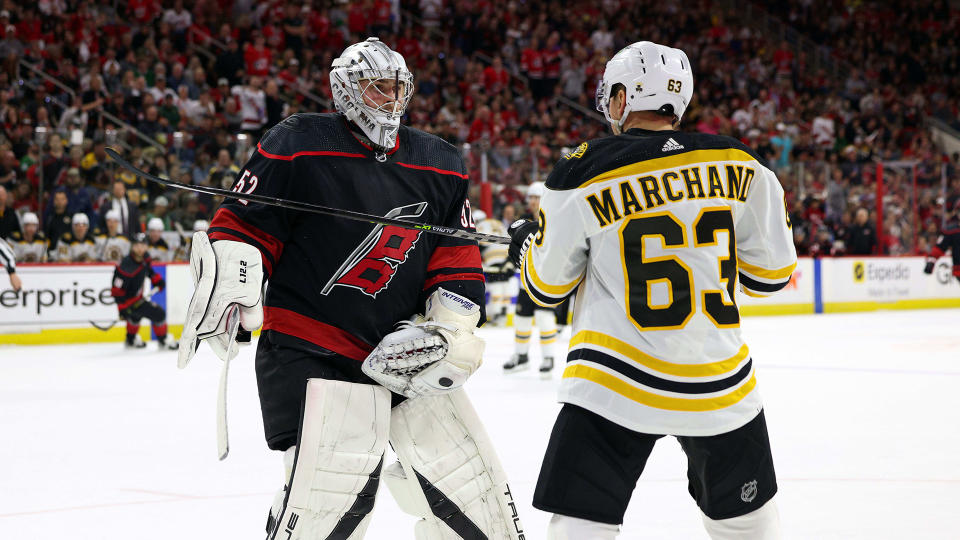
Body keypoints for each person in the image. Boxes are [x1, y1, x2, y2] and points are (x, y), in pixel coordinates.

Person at [178, 38, 524, 539]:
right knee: (329, 501)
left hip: (404, 351)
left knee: (472, 496)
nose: (389, 98)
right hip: (310, 346)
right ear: (345, 90)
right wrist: (233, 272)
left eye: (396, 87)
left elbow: (456, 257)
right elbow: (244, 225)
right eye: (376, 87)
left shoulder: (441, 161)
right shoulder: (298, 141)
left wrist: (448, 330)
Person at [507, 41, 796, 539]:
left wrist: (524, 247)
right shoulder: (742, 163)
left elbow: (548, 286)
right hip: (719, 379)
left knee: (580, 523)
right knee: (747, 525)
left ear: (622, 98)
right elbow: (770, 275)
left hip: (613, 380)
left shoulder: (581, 170)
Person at [503, 181, 560, 378]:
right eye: (532, 198)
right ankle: (521, 356)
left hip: (545, 280)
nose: (533, 201)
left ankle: (548, 358)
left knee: (545, 318)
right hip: (525, 280)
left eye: (537, 197)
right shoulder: (525, 221)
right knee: (521, 318)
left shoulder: (554, 220)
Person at [111, 233, 178, 350]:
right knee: (159, 314)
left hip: (137, 299)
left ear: (147, 246)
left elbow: (149, 270)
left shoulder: (145, 257)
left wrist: (157, 281)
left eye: (143, 245)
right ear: (132, 247)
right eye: (137, 245)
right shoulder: (126, 265)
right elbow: (117, 290)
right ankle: (163, 340)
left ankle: (130, 339)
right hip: (129, 302)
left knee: (135, 317)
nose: (140, 248)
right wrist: (122, 309)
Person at [474, 209, 513, 325]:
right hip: (508, 255)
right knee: (504, 284)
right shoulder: (497, 223)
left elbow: (480, 246)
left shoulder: (480, 226)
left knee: (496, 285)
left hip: (493, 256)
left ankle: (496, 314)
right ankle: (504, 312)